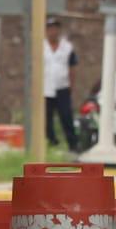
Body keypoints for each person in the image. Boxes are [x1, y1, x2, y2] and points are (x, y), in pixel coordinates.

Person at [43, 17, 78, 149]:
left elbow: (72, 67)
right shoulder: (41, 46)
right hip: (45, 88)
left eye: (55, 28)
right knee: (46, 119)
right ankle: (51, 143)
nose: (53, 31)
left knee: (66, 117)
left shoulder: (67, 47)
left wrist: (71, 86)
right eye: (50, 28)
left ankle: (73, 145)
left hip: (62, 88)